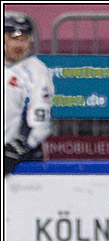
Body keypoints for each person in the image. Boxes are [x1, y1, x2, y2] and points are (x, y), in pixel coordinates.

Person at [5, 12, 53, 176]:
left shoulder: (37, 70)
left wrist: (21, 146)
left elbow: (40, 117)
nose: (19, 45)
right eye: (14, 38)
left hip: (18, 157)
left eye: (24, 39)